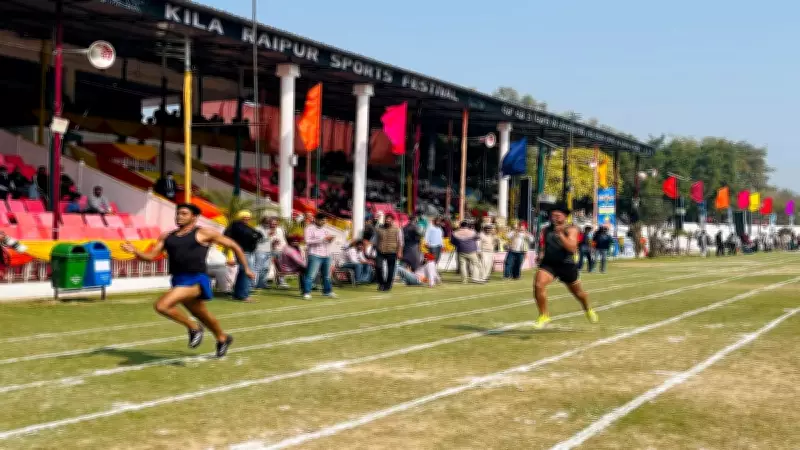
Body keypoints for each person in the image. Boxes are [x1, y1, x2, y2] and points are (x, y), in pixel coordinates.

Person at [121, 203, 254, 358]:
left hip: (196, 279)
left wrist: (246, 268)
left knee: (162, 306)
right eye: (178, 213)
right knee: (203, 315)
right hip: (178, 279)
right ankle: (223, 338)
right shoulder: (167, 236)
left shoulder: (204, 233)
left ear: (194, 217)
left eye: (184, 214)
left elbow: (234, 246)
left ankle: (194, 328)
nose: (179, 216)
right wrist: (136, 251)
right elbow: (150, 257)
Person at [533, 202, 598, 329]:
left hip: (566, 265)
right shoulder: (546, 230)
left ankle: (588, 309)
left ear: (565, 216)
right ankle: (544, 315)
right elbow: (544, 246)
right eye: (553, 215)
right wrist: (540, 254)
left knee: (579, 294)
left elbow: (572, 248)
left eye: (558, 215)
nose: (555, 218)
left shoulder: (572, 229)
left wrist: (561, 235)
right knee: (538, 284)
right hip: (549, 264)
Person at [224, 210, 262, 302]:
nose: (246, 219)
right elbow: (253, 235)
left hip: (245, 251)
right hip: (243, 251)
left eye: (248, 217)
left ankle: (238, 294)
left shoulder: (242, 226)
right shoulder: (238, 226)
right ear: (240, 217)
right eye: (244, 217)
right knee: (246, 271)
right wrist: (255, 236)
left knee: (242, 271)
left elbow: (258, 235)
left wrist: (256, 235)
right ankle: (243, 295)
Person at [303, 212, 336, 300]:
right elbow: (307, 241)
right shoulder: (309, 228)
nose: (324, 222)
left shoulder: (326, 229)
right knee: (310, 275)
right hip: (315, 255)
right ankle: (306, 292)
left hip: (326, 255)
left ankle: (327, 291)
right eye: (322, 220)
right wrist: (323, 239)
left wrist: (330, 240)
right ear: (316, 220)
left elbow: (327, 242)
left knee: (327, 275)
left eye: (325, 220)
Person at [373, 213, 403, 292]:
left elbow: (400, 242)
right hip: (380, 250)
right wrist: (373, 248)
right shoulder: (379, 228)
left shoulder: (397, 229)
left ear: (392, 220)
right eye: (386, 219)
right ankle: (381, 283)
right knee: (378, 267)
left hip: (392, 251)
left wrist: (399, 252)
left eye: (389, 219)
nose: (387, 220)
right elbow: (375, 239)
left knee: (390, 270)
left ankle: (388, 285)